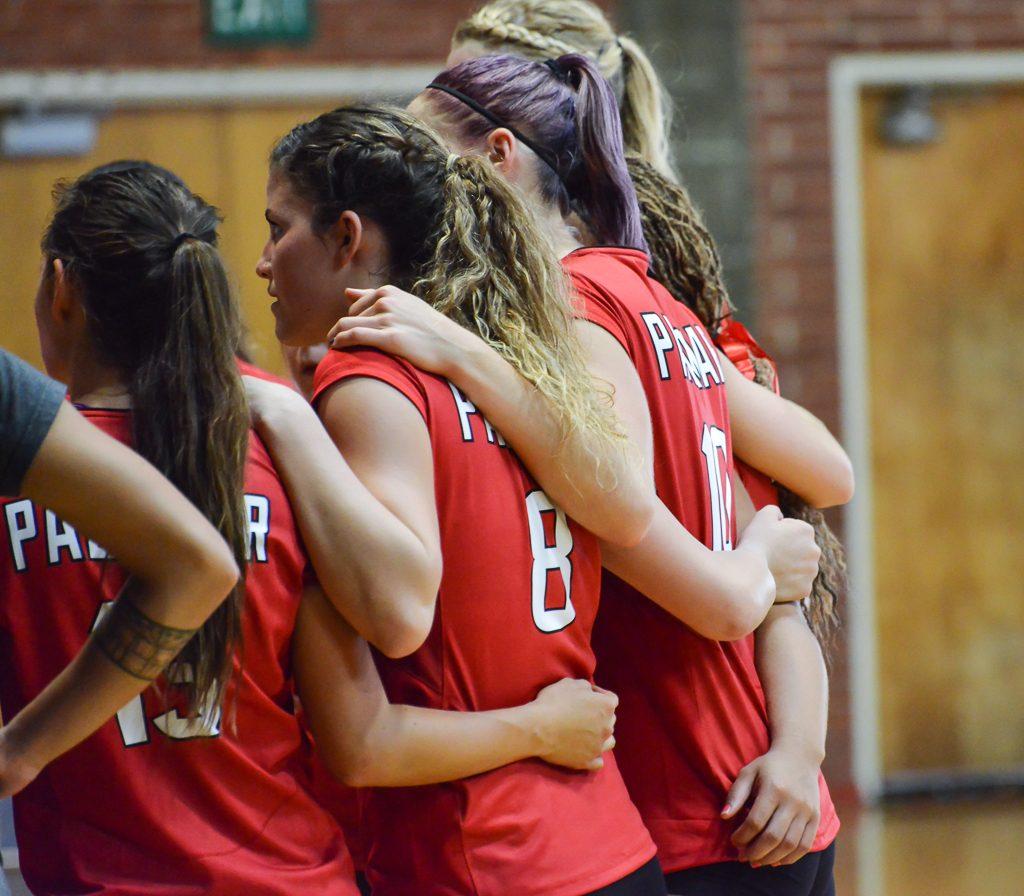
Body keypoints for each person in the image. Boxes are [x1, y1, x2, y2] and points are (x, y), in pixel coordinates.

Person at [0, 160, 614, 895]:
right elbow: (364, 733)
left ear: (61, 288)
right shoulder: (287, 465)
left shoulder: (17, 493)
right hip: (298, 876)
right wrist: (540, 727)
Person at [329, 50, 846, 895]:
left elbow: (630, 508)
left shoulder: (572, 313)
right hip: (757, 799)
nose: (412, 184)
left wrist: (758, 570)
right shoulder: (657, 304)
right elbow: (823, 476)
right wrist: (767, 567)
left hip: (706, 818)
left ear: (498, 156)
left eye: (425, 153)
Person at [253, 102, 693, 896]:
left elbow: (385, 654)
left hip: (479, 858)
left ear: (347, 237)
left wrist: (281, 414)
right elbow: (629, 508)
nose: (261, 261)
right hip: (610, 846)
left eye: (276, 227)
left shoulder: (369, 383)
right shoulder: (515, 370)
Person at [0, 349, 239, 798]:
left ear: (62, 294)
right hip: (281, 848)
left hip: (86, 853)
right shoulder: (265, 443)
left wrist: (19, 751)